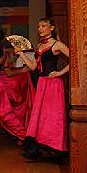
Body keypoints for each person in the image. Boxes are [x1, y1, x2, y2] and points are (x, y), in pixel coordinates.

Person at [15, 18, 69, 160]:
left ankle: (56, 148)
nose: (40, 28)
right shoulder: (40, 45)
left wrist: (60, 72)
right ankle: (40, 148)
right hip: (42, 83)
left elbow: (75, 60)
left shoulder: (57, 44)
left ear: (51, 28)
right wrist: (21, 54)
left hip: (53, 84)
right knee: (41, 115)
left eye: (43, 26)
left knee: (53, 116)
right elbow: (33, 67)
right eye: (39, 26)